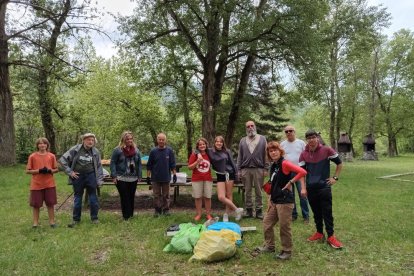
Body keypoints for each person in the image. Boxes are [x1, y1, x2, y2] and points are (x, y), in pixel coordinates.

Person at [254, 141, 307, 260]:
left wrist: (291, 182)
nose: (273, 153)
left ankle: (287, 251)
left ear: (280, 151)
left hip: (285, 201)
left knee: (284, 227)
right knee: (267, 223)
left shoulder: (285, 163)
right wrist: (270, 198)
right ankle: (269, 246)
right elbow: (273, 184)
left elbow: (302, 171)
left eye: (275, 150)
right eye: (270, 151)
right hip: (275, 200)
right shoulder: (274, 165)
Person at [299, 129, 344, 249]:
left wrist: (335, 178)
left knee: (327, 212)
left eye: (313, 137)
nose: (311, 140)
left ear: (317, 138)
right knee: (316, 213)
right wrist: (303, 188)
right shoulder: (303, 154)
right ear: (306, 140)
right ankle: (319, 233)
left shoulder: (326, 150)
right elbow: (302, 173)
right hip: (310, 188)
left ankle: (331, 236)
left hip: (324, 187)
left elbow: (339, 163)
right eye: (308, 138)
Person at [59, 133, 104, 227]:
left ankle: (94, 218)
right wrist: (70, 172)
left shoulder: (95, 152)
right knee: (78, 198)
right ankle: (76, 219)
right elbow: (62, 160)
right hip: (78, 177)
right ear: (83, 140)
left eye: (92, 140)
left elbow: (99, 167)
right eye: (88, 140)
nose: (90, 142)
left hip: (91, 176)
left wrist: (99, 180)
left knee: (93, 197)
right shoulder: (75, 149)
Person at [26, 138, 59, 228]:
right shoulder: (32, 156)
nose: (42, 145)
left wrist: (50, 170)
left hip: (49, 184)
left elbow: (56, 169)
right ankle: (35, 223)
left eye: (44, 143)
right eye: (40, 144)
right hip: (36, 184)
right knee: (36, 205)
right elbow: (28, 171)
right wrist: (39, 170)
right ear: (37, 145)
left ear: (47, 145)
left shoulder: (51, 156)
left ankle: (52, 222)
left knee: (50, 203)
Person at [237, 120, 268, 219]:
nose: (250, 127)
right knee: (247, 191)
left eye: (252, 125)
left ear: (255, 127)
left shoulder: (262, 139)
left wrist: (266, 168)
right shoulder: (242, 140)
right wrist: (239, 170)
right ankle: (249, 211)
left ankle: (259, 211)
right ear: (246, 129)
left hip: (259, 169)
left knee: (259, 191)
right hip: (245, 169)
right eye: (248, 126)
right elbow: (239, 156)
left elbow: (266, 155)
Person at [280, 125, 310, 223]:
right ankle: (293, 214)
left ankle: (306, 216)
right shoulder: (282, 144)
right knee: (290, 195)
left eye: (290, 131)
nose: (288, 133)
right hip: (287, 173)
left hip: (299, 171)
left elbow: (307, 155)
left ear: (294, 132)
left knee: (302, 194)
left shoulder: (301, 143)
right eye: (286, 131)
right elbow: (281, 158)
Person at [110, 131, 142, 220]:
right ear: (123, 139)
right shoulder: (117, 150)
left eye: (131, 139)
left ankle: (131, 215)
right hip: (121, 177)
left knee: (131, 196)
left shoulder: (136, 150)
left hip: (133, 177)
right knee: (125, 197)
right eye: (127, 139)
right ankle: (126, 216)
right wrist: (114, 176)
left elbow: (139, 163)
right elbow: (112, 163)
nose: (129, 140)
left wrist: (139, 175)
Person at [146, 133, 177, 217]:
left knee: (166, 195)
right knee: (156, 195)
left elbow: (172, 164)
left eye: (163, 139)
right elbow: (149, 165)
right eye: (160, 139)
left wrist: (174, 174)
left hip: (166, 177)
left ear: (165, 140)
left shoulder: (169, 151)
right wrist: (148, 176)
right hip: (155, 177)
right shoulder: (153, 151)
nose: (161, 141)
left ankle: (166, 209)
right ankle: (157, 210)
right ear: (157, 140)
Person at [188, 138, 213, 221]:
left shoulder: (209, 154)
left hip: (207, 178)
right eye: (200, 144)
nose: (202, 146)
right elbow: (190, 167)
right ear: (198, 146)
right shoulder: (194, 155)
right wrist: (197, 162)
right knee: (198, 197)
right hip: (196, 179)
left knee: (208, 197)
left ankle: (208, 214)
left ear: (206, 145)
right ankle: (199, 214)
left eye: (203, 144)